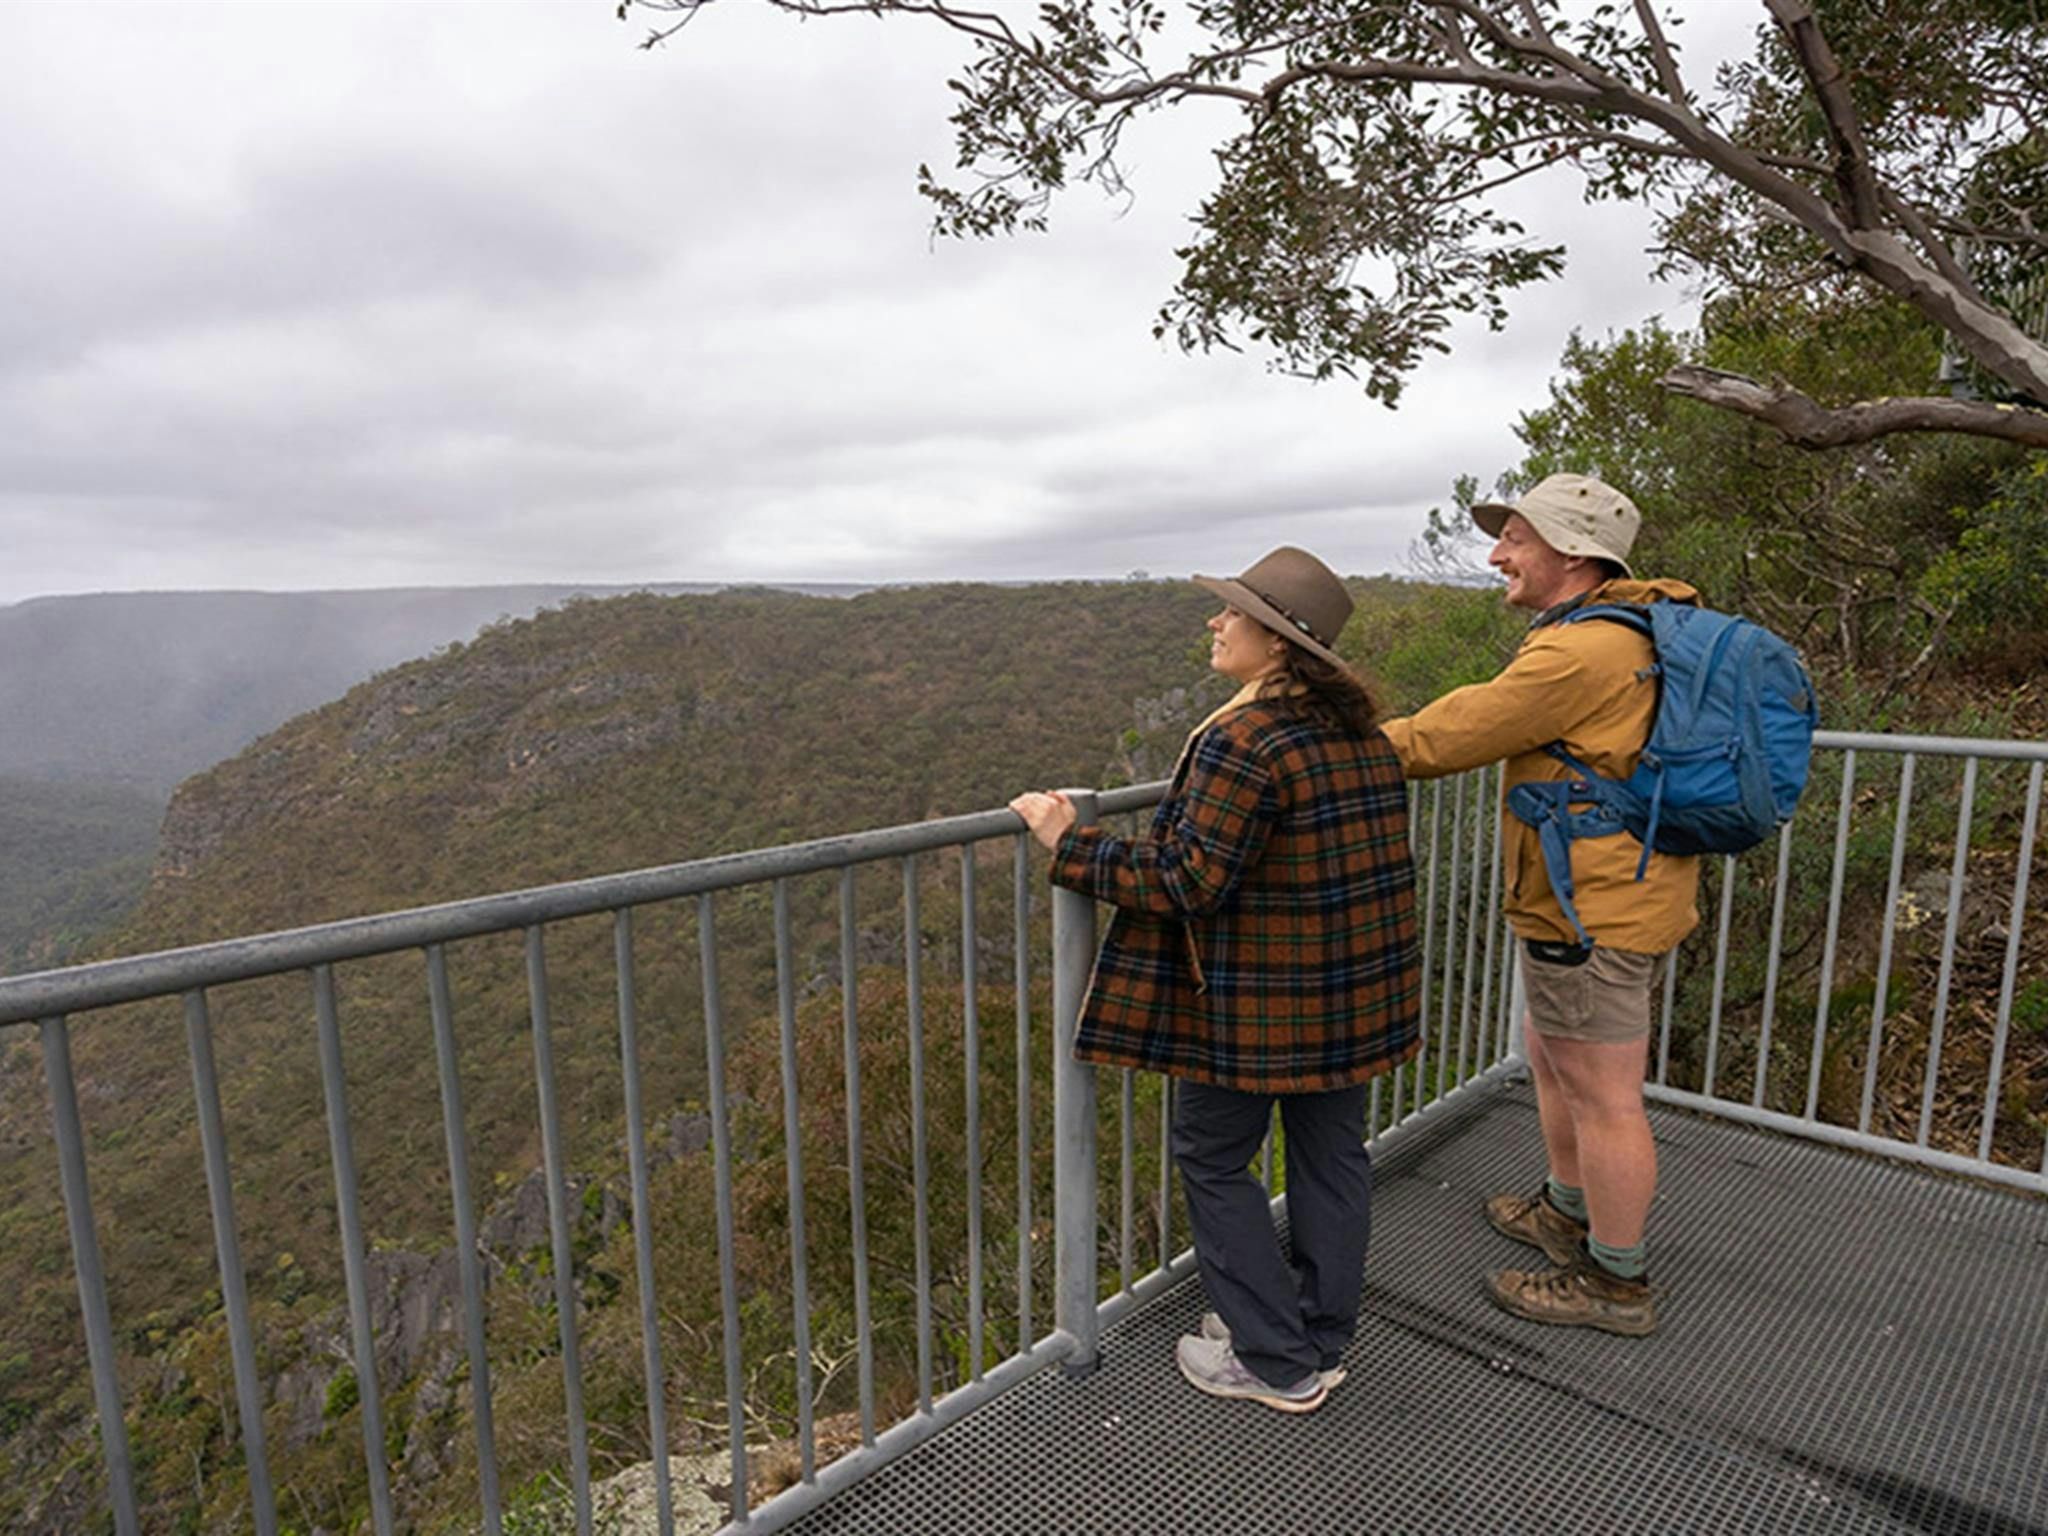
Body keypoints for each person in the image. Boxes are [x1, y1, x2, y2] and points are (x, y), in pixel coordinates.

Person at [1010, 546, 1420, 1414]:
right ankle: (1318, 1332)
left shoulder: (1245, 738)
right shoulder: (1359, 736)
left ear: (1276, 645)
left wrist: (1068, 842)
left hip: (1261, 1007)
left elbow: (1187, 879)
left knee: (1212, 1156)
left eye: (1234, 612)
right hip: (1354, 996)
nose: (1215, 621)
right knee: (1331, 1159)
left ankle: (1274, 1360)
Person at [1377, 473, 1701, 1336]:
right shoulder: (1615, 633)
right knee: (1557, 1056)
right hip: (1603, 890)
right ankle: (1567, 1210)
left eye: (1514, 539)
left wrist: (1336, 745)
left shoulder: (1580, 650)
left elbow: (1457, 731)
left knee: (1604, 1092)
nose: (1496, 555)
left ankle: (1616, 1282)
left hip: (1593, 903)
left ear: (1569, 551)